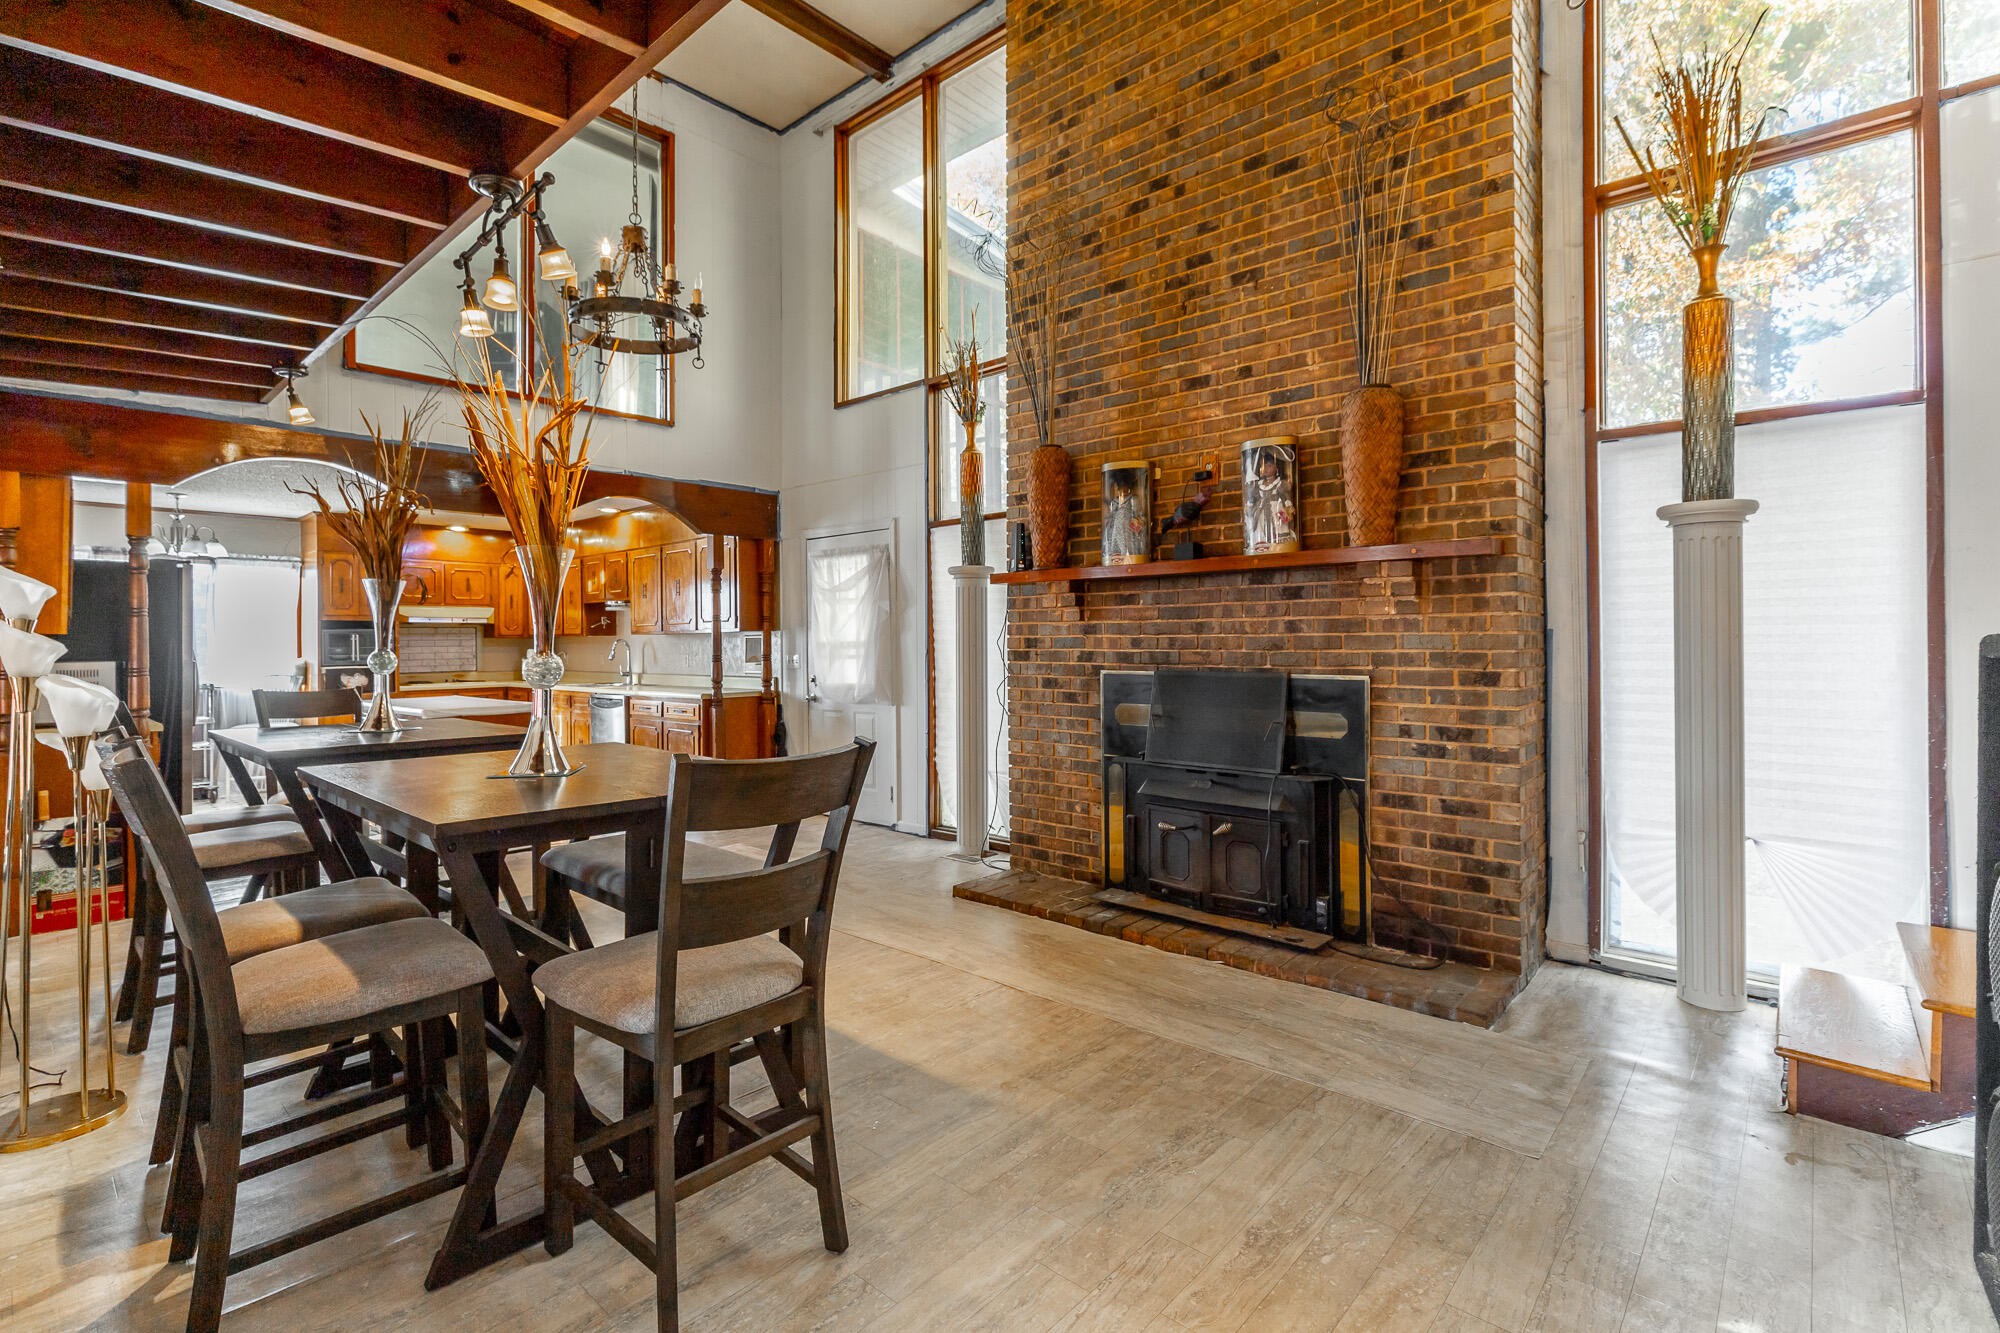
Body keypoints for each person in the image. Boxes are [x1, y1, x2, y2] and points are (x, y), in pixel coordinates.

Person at [1245, 447, 1298, 553]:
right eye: (1264, 466)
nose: (1266, 469)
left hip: (1276, 512)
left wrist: (1288, 508)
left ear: (1276, 467)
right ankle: (1262, 544)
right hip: (1261, 513)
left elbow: (1285, 498)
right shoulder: (1258, 485)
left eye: (1269, 466)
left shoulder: (1280, 484)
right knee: (1261, 527)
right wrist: (1250, 506)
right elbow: (1252, 498)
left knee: (1279, 528)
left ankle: (1278, 544)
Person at [1103, 475, 1148, 564]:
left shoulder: (1133, 500)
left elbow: (1139, 514)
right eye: (1120, 488)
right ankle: (1116, 557)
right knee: (1115, 544)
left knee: (1127, 544)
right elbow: (1110, 516)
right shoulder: (1115, 502)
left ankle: (1129, 556)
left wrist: (1137, 521)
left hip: (1128, 528)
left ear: (1129, 488)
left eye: (1125, 488)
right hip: (1116, 529)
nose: (1123, 491)